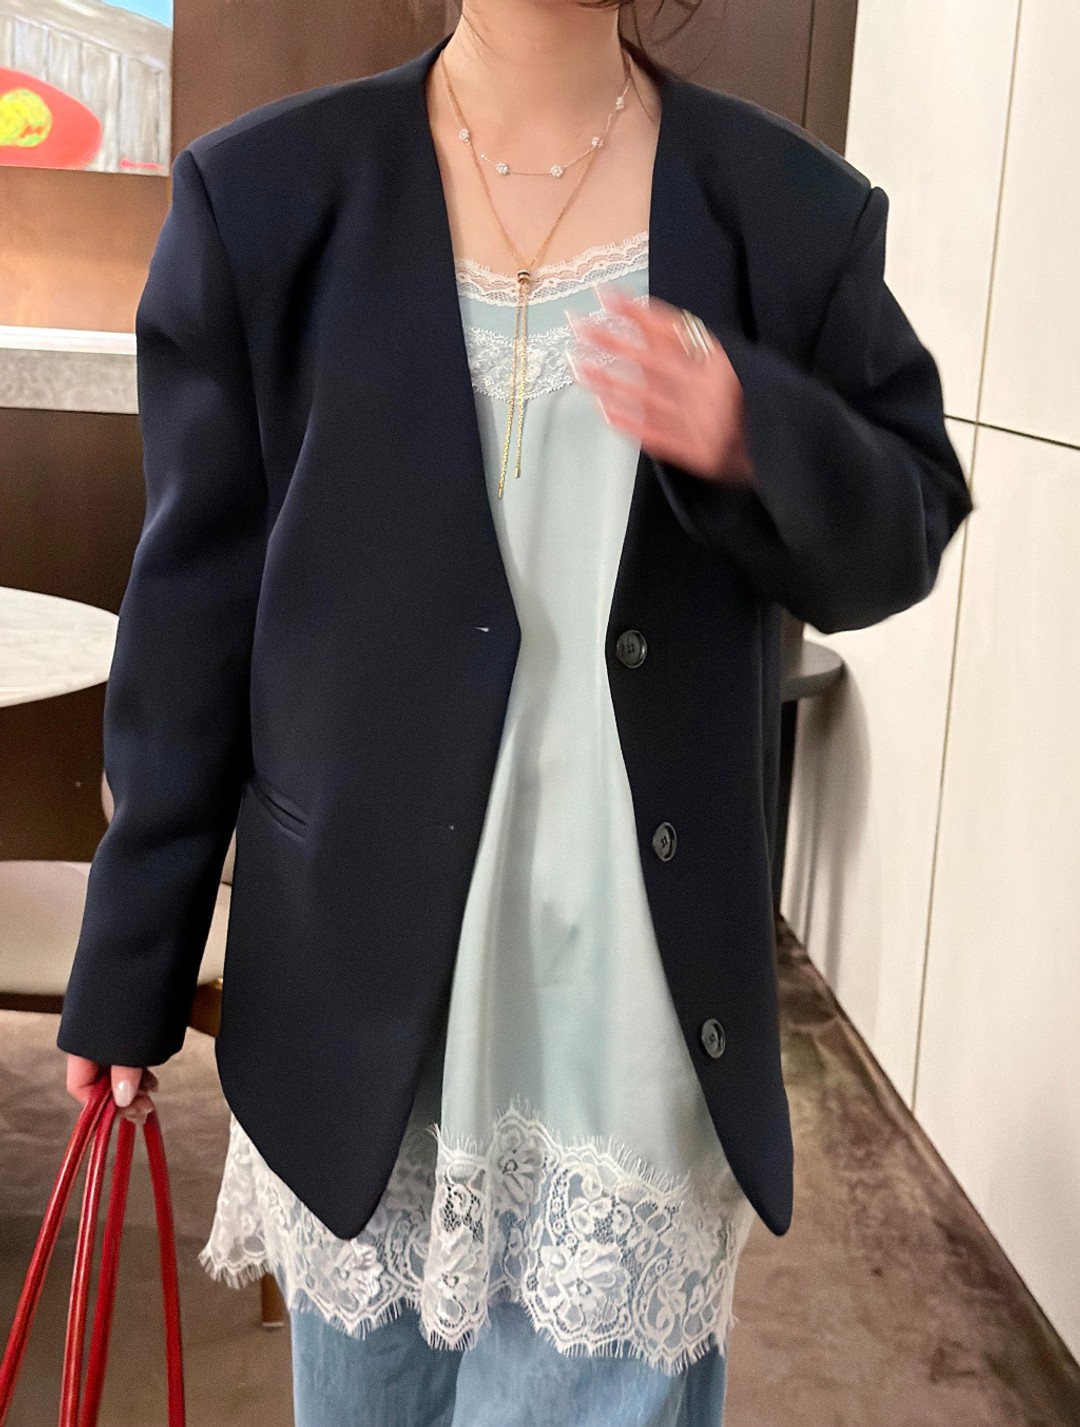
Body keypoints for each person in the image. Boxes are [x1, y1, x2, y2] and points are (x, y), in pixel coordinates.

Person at [55, 2, 973, 1423]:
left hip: (631, 1022)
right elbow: (194, 620)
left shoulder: (787, 213)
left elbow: (906, 523)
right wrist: (133, 958)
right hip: (358, 1008)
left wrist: (756, 435)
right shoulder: (267, 201)